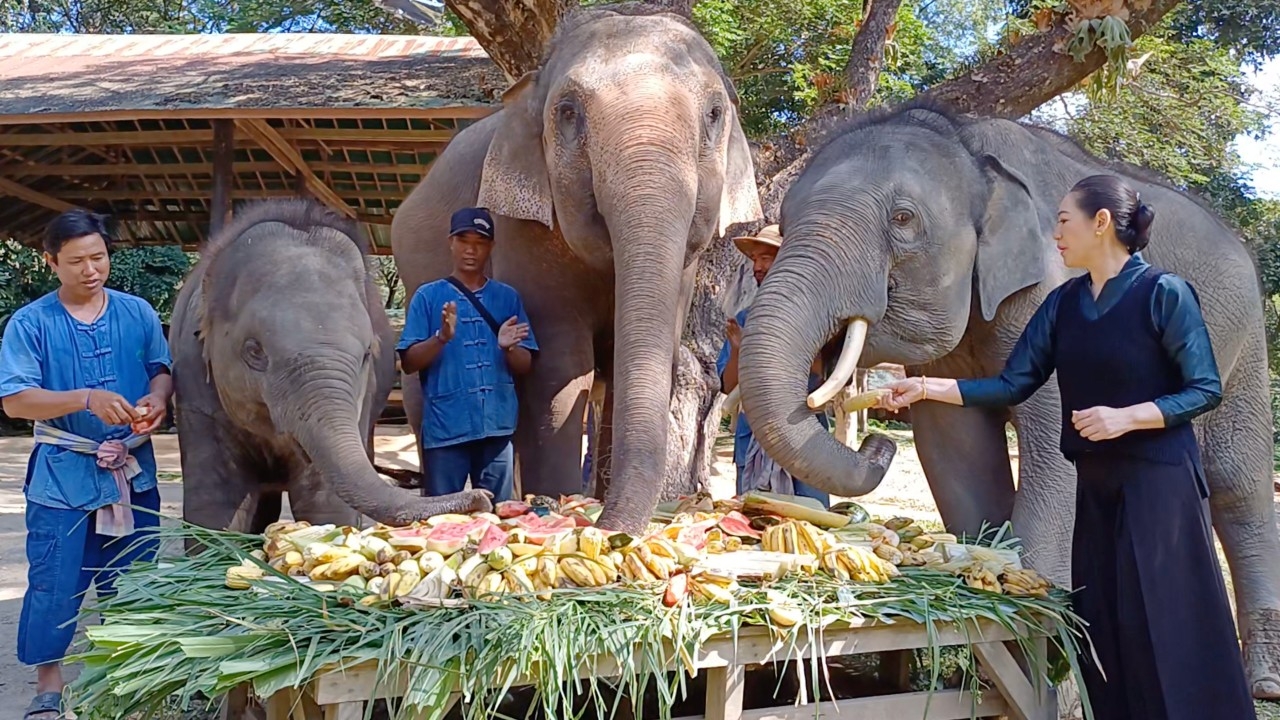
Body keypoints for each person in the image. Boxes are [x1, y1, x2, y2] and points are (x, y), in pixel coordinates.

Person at [876, 175, 1256, 720]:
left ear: (1100, 223)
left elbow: (1204, 388)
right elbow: (1013, 384)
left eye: (1062, 221)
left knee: (1168, 623)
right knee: (1106, 621)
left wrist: (1127, 417)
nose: (1054, 233)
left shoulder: (1165, 294)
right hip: (1096, 487)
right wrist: (929, 387)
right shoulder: (1063, 304)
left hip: (1160, 486)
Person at [0, 209, 173, 720]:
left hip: (132, 471)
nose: (90, 269)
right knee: (56, 579)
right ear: (52, 262)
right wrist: (84, 398)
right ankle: (48, 687)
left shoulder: (137, 311)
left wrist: (158, 401)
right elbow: (15, 401)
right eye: (76, 261)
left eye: (98, 257)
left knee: (135, 579)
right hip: (63, 475)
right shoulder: (31, 323)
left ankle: (126, 677)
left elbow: (159, 370)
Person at [398, 207, 537, 504]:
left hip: (496, 431)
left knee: (498, 520)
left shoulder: (507, 297)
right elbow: (409, 362)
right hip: (446, 430)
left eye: (480, 242)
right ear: (451, 242)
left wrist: (508, 347)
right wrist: (441, 338)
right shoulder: (428, 296)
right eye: (463, 240)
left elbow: (525, 365)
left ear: (491, 247)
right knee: (440, 519)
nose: (471, 250)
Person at [717, 224, 831, 505]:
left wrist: (769, 350)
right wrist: (740, 351)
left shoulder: (818, 315)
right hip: (753, 439)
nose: (758, 266)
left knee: (812, 524)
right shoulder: (744, 319)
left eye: (766, 258)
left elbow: (825, 375)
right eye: (755, 259)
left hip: (804, 437)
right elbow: (728, 387)